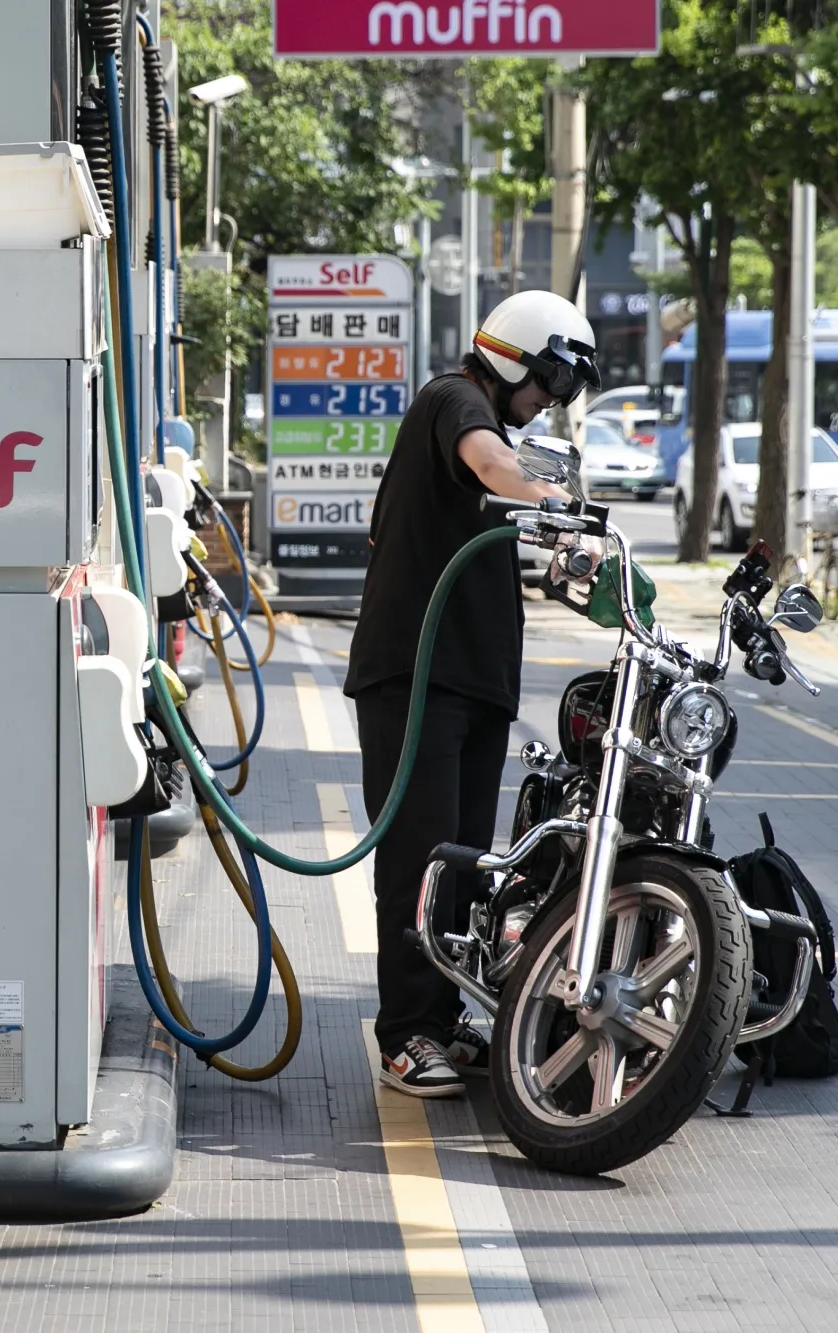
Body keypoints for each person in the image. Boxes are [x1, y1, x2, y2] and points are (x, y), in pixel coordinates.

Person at [342, 291, 600, 1098]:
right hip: (417, 675)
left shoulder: (504, 435)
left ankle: (442, 1012)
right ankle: (405, 1035)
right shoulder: (452, 399)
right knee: (417, 856)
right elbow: (490, 462)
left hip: (475, 683)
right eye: (547, 381)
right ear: (514, 355)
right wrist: (559, 502)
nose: (547, 402)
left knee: (462, 861)